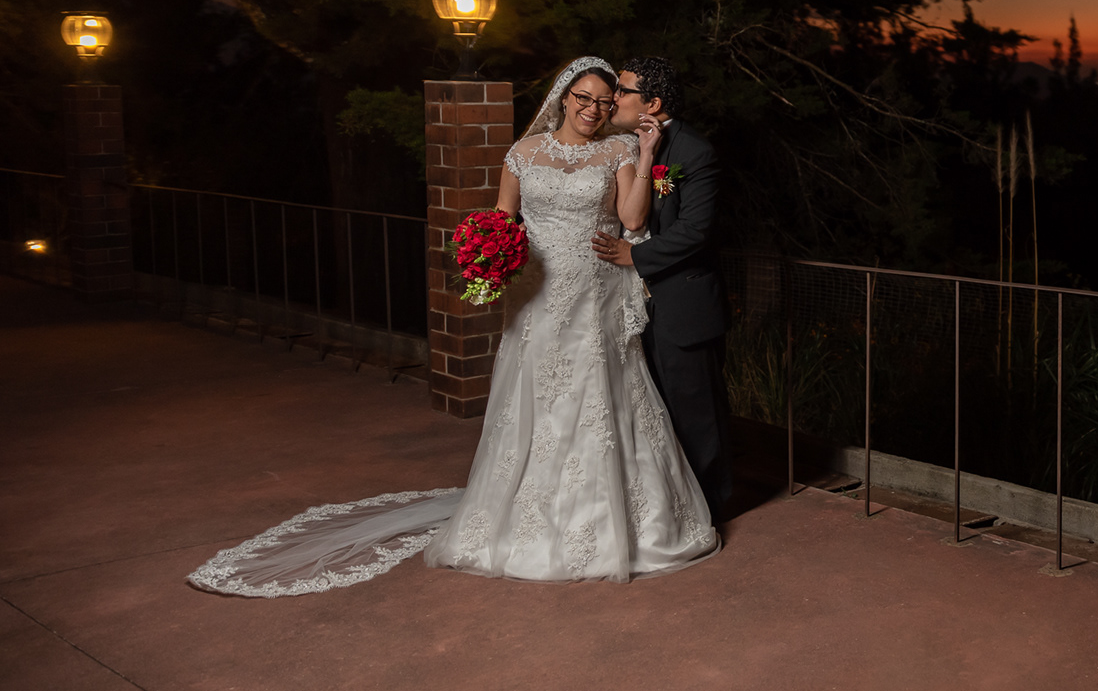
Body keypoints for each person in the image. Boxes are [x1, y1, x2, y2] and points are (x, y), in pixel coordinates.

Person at [185, 57, 717, 597]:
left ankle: (610, 521)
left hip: (596, 290)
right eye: (584, 97)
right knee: (537, 397)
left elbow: (632, 221)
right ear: (563, 97)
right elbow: (503, 218)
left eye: (604, 101)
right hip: (537, 293)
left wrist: (645, 153)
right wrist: (489, 255)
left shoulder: (619, 150)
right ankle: (527, 515)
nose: (594, 109)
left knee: (601, 394)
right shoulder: (523, 153)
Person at [592, 56, 732, 517]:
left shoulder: (694, 151)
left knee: (695, 413)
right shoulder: (627, 145)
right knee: (653, 412)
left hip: (681, 304)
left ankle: (711, 512)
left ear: (651, 103)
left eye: (623, 91)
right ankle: (668, 508)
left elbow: (695, 230)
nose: (613, 98)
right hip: (633, 305)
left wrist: (635, 256)